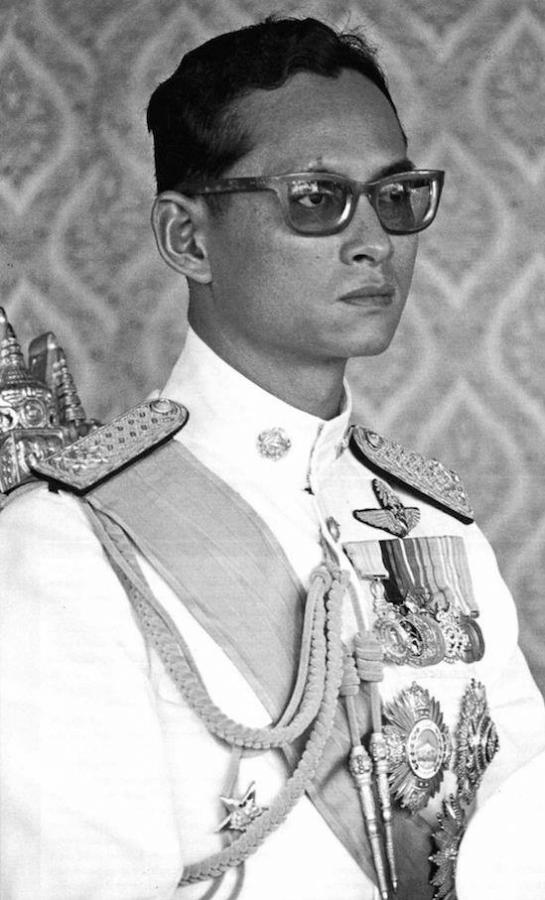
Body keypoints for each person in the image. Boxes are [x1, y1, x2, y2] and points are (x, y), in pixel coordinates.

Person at [1, 15, 544, 900]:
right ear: (187, 238)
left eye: (395, 195)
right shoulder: (67, 545)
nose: (375, 239)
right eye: (315, 197)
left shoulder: (433, 524)